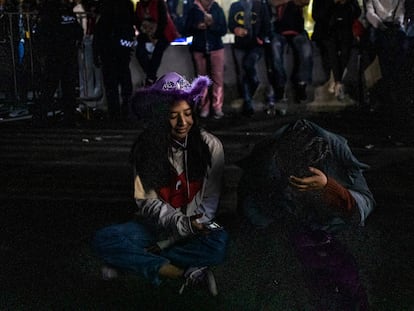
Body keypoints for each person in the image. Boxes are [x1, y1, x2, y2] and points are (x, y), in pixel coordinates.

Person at [92, 72, 228, 296]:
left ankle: (132, 260)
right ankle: (182, 273)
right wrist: (173, 228)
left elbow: (210, 205)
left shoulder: (211, 146)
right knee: (106, 238)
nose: (182, 123)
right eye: (173, 116)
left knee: (219, 241)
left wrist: (170, 240)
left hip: (196, 227)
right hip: (153, 226)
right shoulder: (146, 147)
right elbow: (146, 202)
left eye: (187, 114)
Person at [237, 119, 375, 310]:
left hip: (329, 235)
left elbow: (364, 203)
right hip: (281, 234)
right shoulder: (266, 159)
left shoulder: (336, 153)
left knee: (345, 281)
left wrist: (329, 188)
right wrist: (271, 224)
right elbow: (248, 203)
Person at [32, 0, 83, 127]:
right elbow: (77, 31)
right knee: (61, 87)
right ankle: (64, 116)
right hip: (60, 54)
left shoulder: (54, 13)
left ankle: (45, 116)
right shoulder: (60, 13)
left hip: (58, 55)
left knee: (54, 87)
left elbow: (41, 34)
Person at [184, 0, 227, 119]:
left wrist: (212, 24)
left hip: (216, 48)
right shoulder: (193, 9)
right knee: (202, 79)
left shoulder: (217, 9)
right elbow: (185, 29)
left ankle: (217, 106)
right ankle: (204, 107)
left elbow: (223, 30)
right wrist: (196, 27)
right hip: (199, 48)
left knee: (217, 78)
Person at [228, 0, 271, 117]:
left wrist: (260, 38)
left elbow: (267, 24)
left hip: (255, 45)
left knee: (248, 64)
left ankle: (254, 84)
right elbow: (231, 24)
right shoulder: (235, 6)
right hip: (240, 44)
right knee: (242, 73)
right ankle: (248, 102)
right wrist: (236, 29)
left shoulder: (260, 6)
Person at [312, 0, 361, 101]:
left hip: (345, 28)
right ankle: (338, 82)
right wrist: (332, 3)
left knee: (345, 50)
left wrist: (346, 4)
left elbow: (357, 11)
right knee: (331, 49)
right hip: (327, 30)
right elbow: (316, 15)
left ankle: (337, 81)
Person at [93, 0, 135, 120]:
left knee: (111, 81)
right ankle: (125, 108)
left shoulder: (105, 7)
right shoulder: (126, 5)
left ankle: (115, 111)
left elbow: (99, 30)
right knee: (123, 78)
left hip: (108, 47)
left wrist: (96, 52)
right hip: (119, 47)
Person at [266, 0, 313, 104]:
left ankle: (301, 84)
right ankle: (280, 85)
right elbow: (272, 2)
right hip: (278, 30)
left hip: (298, 30)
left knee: (306, 50)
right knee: (275, 51)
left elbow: (306, 2)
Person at [365, 0, 406, 111]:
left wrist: (397, 23)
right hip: (378, 25)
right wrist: (379, 24)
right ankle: (388, 84)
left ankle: (394, 84)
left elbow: (400, 11)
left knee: (399, 41)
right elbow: (370, 13)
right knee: (382, 44)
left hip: (394, 25)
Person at [135, 0, 178, 86]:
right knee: (139, 51)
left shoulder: (159, 2)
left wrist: (156, 37)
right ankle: (151, 76)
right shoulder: (139, 5)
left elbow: (163, 21)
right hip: (147, 33)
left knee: (158, 49)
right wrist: (149, 35)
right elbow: (137, 22)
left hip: (164, 33)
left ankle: (150, 78)